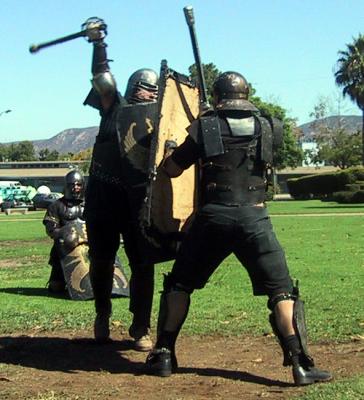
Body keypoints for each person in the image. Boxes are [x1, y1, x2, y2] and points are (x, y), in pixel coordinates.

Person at [145, 71, 332, 386]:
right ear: (247, 94)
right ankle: (300, 364)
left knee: (179, 285)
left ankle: (163, 353)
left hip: (212, 218)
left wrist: (172, 148)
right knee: (282, 291)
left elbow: (173, 169)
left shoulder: (207, 126)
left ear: (218, 97)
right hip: (254, 218)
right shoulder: (269, 127)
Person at [83, 21, 158, 351]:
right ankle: (102, 313)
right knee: (101, 260)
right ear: (132, 86)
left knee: (143, 263)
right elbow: (102, 78)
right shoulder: (115, 106)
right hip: (104, 196)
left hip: (138, 201)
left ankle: (141, 326)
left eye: (154, 89)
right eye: (145, 87)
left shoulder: (161, 117)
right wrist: (99, 44)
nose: (149, 93)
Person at [43, 169, 85, 293]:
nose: (75, 188)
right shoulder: (56, 206)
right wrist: (66, 234)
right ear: (66, 186)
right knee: (56, 287)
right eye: (72, 184)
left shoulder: (92, 205)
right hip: (63, 251)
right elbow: (51, 230)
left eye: (78, 184)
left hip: (89, 250)